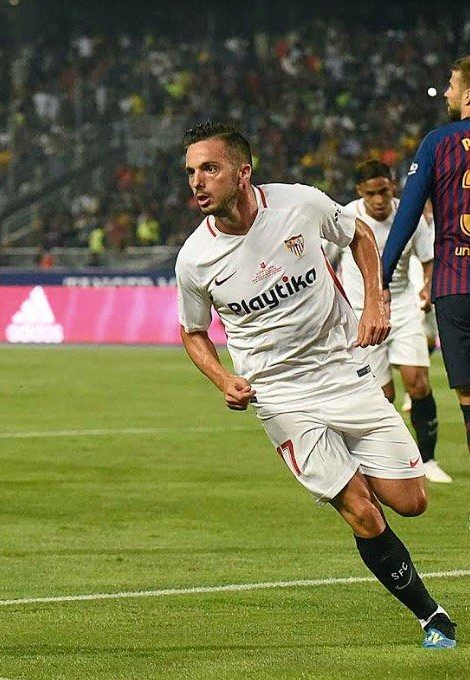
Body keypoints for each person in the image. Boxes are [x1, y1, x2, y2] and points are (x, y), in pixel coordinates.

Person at [175, 122, 455, 649]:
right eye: (190, 172)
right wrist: (223, 379)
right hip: (280, 397)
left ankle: (343, 477)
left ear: (243, 172)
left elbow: (360, 236)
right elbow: (192, 332)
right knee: (363, 512)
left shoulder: (299, 204)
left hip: (343, 373)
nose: (197, 181)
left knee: (412, 501)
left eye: (209, 169)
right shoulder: (194, 258)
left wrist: (376, 299)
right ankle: (431, 616)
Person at [337, 160, 450, 483]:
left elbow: (427, 259)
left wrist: (428, 286)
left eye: (384, 192)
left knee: (418, 382)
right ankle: (389, 461)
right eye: (371, 193)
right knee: (381, 396)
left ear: (392, 187)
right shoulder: (345, 218)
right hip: (362, 312)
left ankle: (428, 460)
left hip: (402, 306)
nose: (378, 200)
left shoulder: (409, 214)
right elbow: (325, 262)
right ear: (360, 192)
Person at [382, 55, 470, 461]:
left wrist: (379, 278)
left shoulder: (439, 142)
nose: (447, 93)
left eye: (452, 86)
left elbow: (407, 217)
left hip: (456, 285)